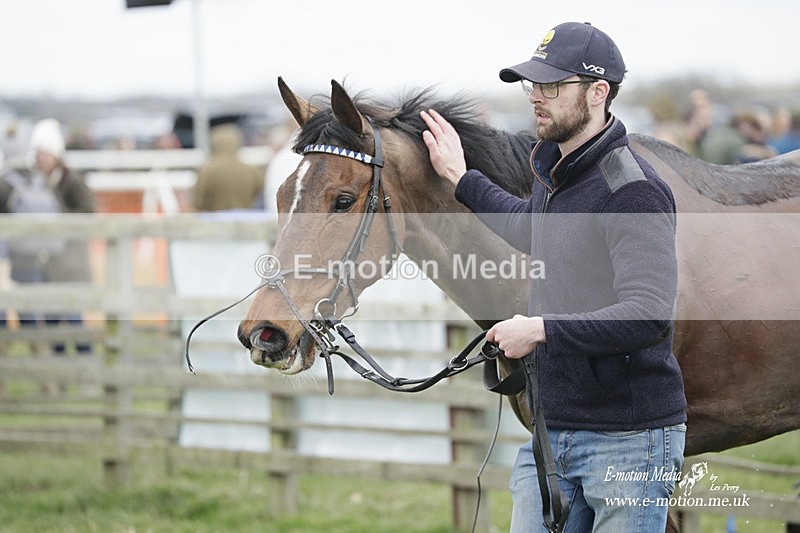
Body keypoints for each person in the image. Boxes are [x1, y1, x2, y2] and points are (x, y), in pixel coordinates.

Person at [420, 22, 687, 532]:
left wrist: (539, 329)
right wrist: (461, 179)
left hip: (628, 443)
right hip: (551, 431)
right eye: (532, 85)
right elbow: (529, 229)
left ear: (597, 93)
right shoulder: (556, 172)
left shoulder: (633, 190)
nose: (536, 98)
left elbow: (648, 314)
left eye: (552, 86)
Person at [0, 118, 95, 354]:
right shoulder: (36, 182)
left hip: (72, 264)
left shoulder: (71, 182)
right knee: (53, 324)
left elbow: (88, 214)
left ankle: (85, 373)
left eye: (46, 153)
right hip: (49, 264)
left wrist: (58, 218)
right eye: (39, 153)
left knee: (74, 320)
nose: (41, 158)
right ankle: (60, 378)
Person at [191, 124, 263, 212]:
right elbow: (259, 194)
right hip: (245, 221)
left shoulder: (206, 171)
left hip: (215, 221)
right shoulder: (252, 171)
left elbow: (198, 202)